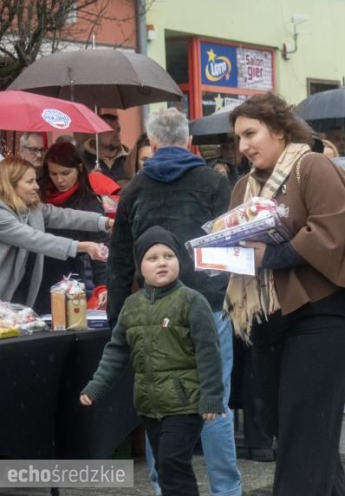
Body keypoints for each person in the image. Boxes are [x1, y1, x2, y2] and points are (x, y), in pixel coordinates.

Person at [226, 93, 345, 495]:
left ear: (279, 130)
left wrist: (273, 254)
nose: (244, 145)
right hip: (268, 317)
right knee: (293, 427)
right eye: (238, 138)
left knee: (304, 426)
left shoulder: (311, 166)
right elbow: (236, 245)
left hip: (323, 312)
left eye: (251, 133)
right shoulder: (244, 187)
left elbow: (330, 232)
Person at [108, 109, 242, 496]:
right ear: (188, 142)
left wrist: (120, 317)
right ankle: (225, 490)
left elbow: (119, 259)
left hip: (152, 312)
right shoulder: (212, 183)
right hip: (209, 304)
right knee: (214, 399)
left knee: (158, 403)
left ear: (151, 144)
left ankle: (162, 487)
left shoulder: (133, 188)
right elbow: (230, 243)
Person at [81, 226, 224, 496]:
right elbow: (116, 351)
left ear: (179, 261)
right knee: (164, 467)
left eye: (168, 256)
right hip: (149, 404)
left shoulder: (192, 301)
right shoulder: (131, 306)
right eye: (153, 257)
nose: (162, 262)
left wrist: (212, 397)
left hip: (185, 403)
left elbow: (209, 353)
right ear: (140, 266)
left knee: (173, 463)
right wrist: (96, 386)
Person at [0, 157, 109, 307]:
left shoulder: (32, 208)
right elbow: (35, 239)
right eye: (29, 182)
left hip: (21, 295)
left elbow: (66, 216)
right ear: (10, 185)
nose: (37, 186)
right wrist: (82, 246)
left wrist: (105, 222)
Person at [35, 142, 115, 313]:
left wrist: (102, 286)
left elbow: (101, 247)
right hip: (37, 277)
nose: (59, 180)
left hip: (72, 281)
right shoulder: (37, 196)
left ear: (79, 168)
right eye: (53, 174)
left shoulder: (88, 202)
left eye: (65, 173)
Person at [83, 113, 131, 184]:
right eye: (110, 130)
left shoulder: (129, 159)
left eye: (118, 130)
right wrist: (89, 181)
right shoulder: (82, 160)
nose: (116, 134)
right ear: (94, 134)